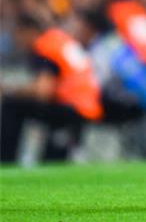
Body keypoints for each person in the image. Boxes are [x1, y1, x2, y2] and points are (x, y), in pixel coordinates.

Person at [0, 15, 103, 163]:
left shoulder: (43, 46)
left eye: (18, 35)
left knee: (11, 105)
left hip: (71, 106)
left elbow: (43, 91)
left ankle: (5, 159)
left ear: (29, 31)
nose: (16, 41)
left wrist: (8, 90)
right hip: (88, 105)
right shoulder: (58, 39)